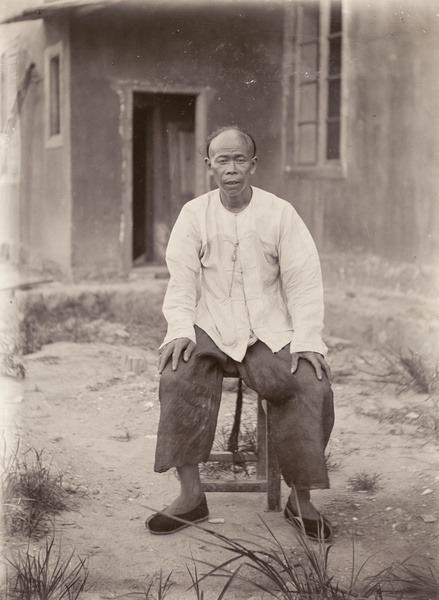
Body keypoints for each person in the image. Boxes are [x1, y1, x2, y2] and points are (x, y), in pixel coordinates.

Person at [146, 126, 334, 540]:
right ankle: (191, 497)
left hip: (268, 328)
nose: (231, 169)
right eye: (221, 160)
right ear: (209, 165)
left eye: (239, 160)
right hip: (210, 322)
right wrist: (179, 329)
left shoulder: (280, 213)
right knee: (176, 377)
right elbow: (181, 282)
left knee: (310, 384)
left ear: (253, 163)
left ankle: (300, 501)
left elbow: (304, 281)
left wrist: (305, 339)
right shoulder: (194, 214)